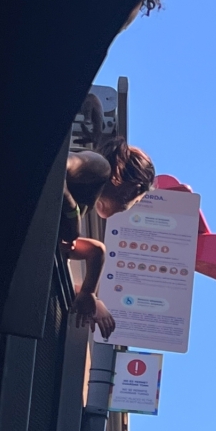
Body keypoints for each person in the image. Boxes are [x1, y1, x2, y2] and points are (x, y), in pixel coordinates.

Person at [60, 135, 155, 337]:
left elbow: (97, 251)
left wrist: (88, 294)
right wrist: (72, 216)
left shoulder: (87, 196)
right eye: (137, 202)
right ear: (133, 190)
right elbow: (55, 167)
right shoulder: (99, 167)